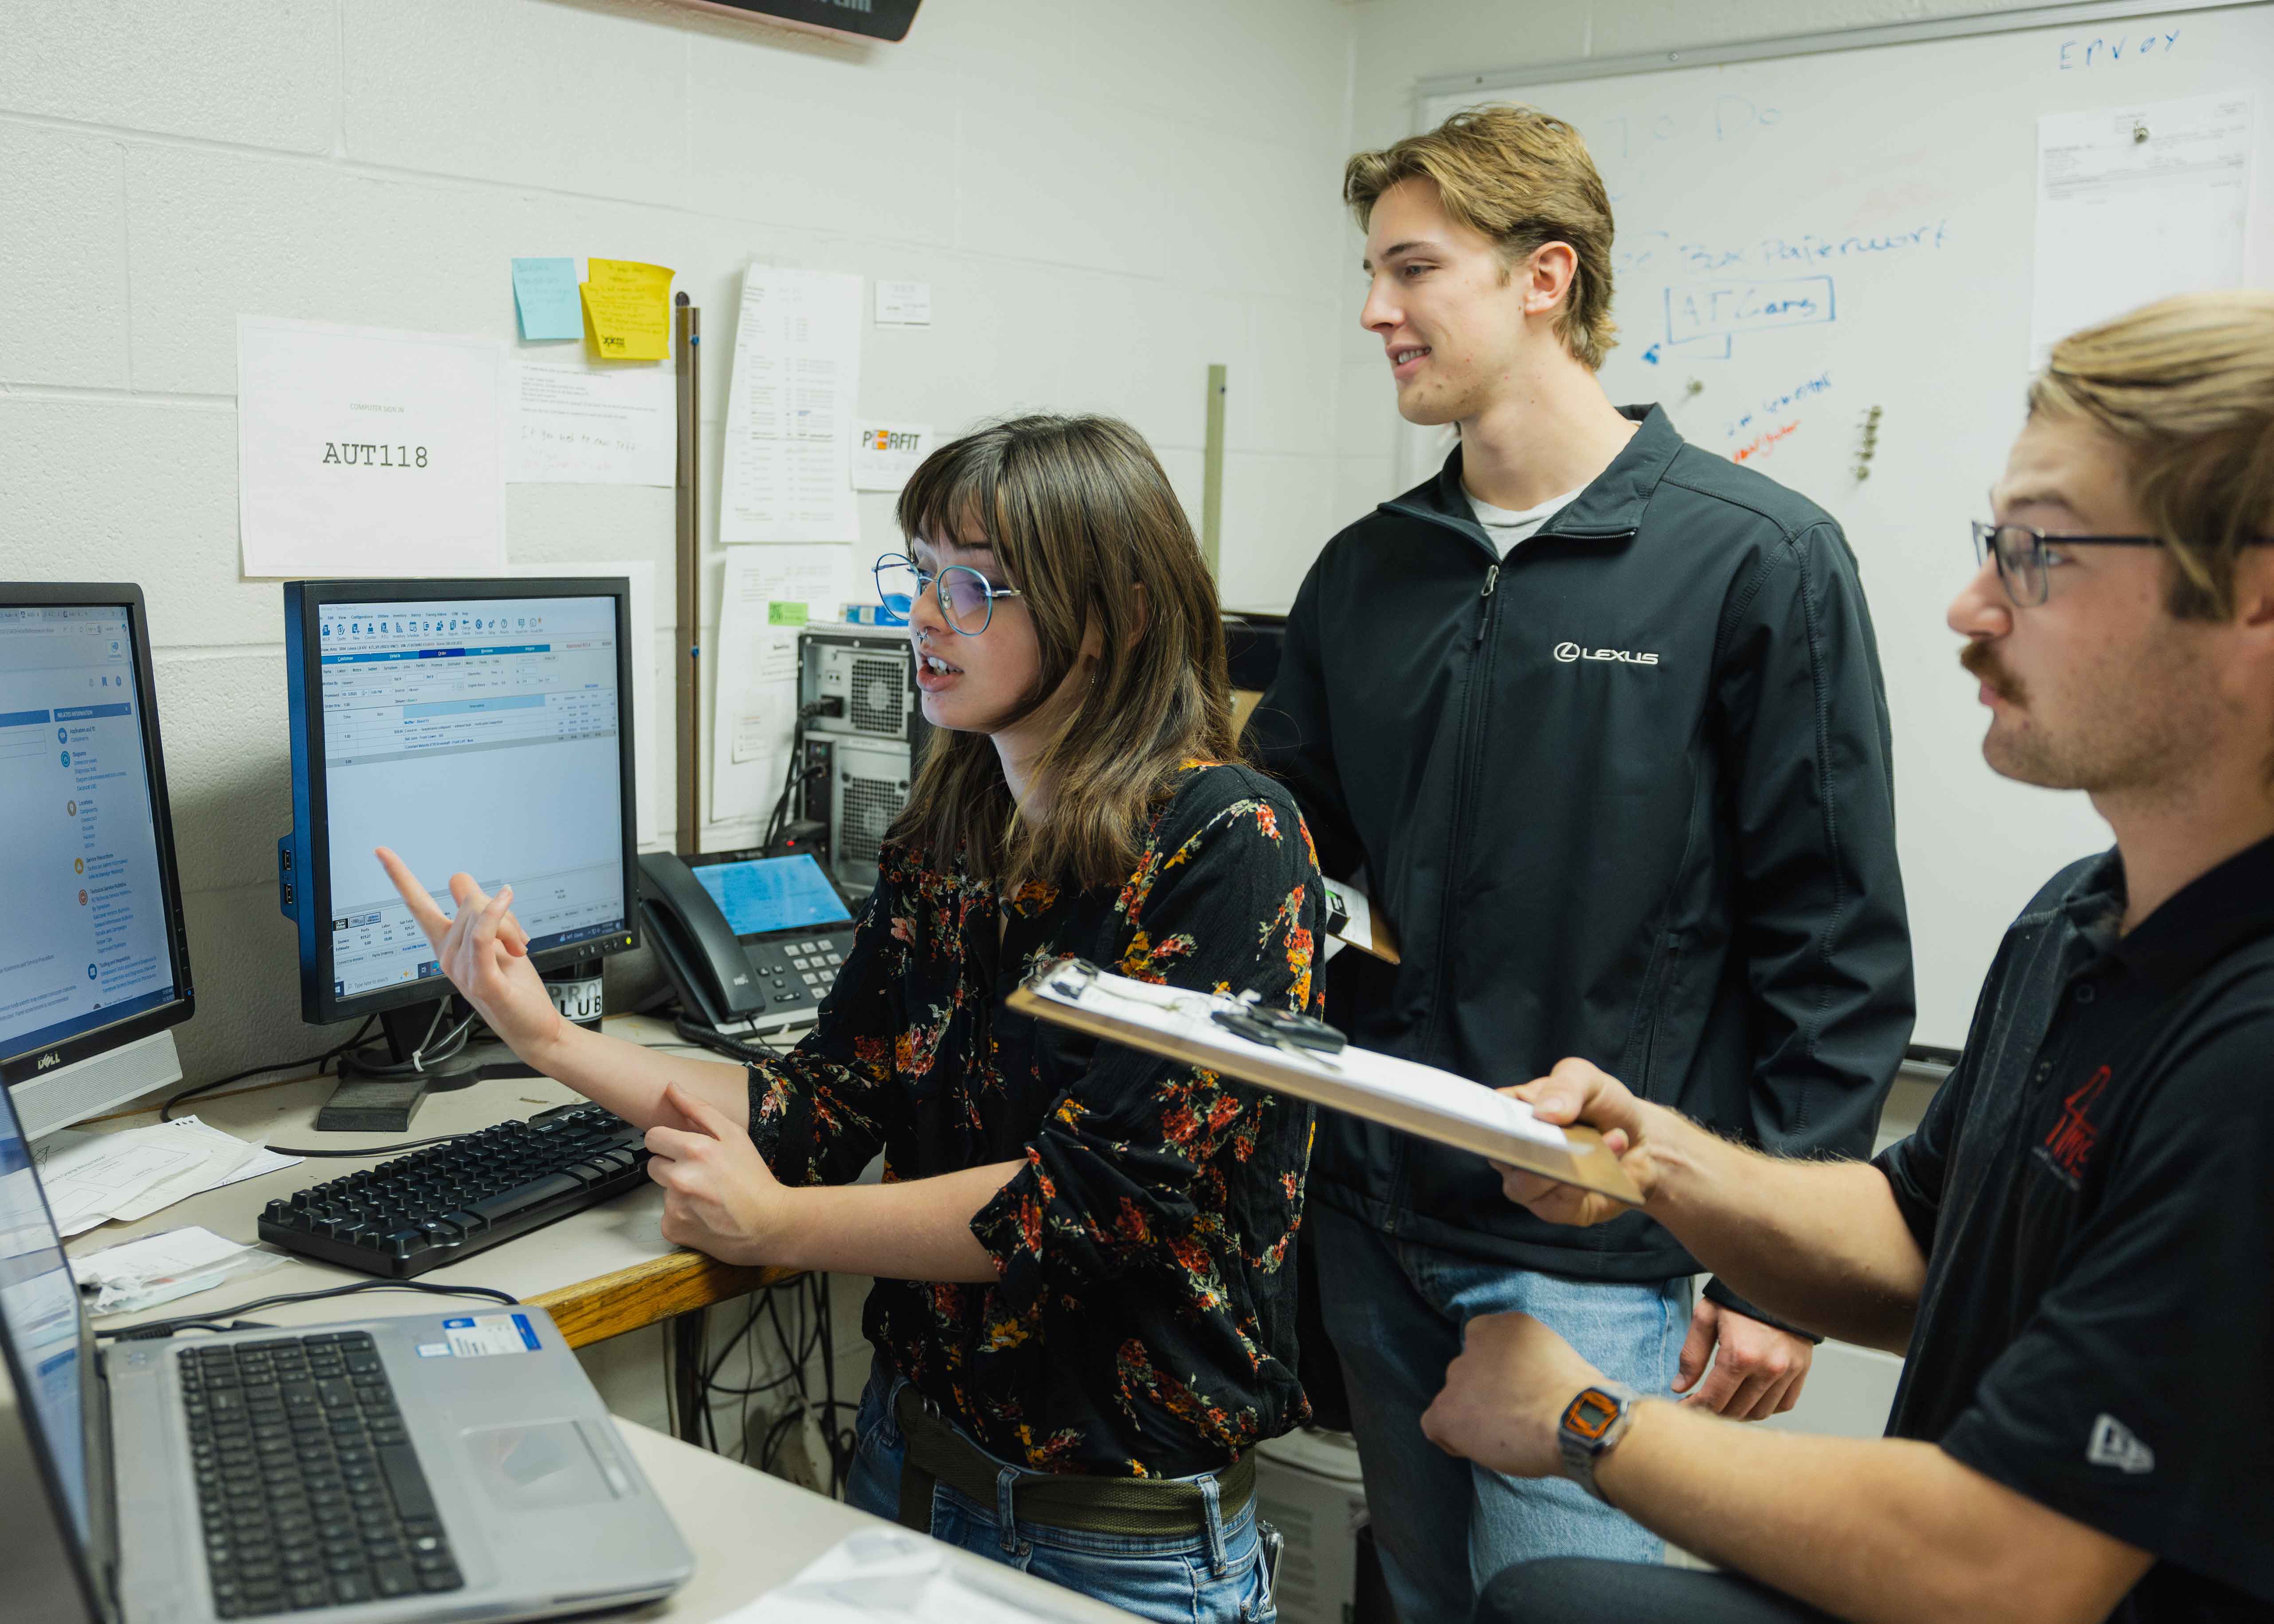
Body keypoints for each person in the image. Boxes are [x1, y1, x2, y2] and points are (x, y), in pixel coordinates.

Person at [378, 414, 1326, 1624]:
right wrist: (545, 1037)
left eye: (974, 586)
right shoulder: (955, 825)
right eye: (920, 574)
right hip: (912, 1467)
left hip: (1112, 1534)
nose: (925, 617)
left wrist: (780, 1226)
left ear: (1117, 614)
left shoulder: (1229, 844)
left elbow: (1091, 1206)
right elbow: (825, 1105)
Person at [1424, 290, 2274, 1624]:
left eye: (2040, 553)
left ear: (2256, 601)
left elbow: (2009, 1567)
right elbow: (1926, 1242)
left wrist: (1586, 1419)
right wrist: (1645, 1158)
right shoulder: (2079, 924)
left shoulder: (2255, 1047)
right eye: (1995, 542)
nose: (1972, 604)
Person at [1241, 103, 1914, 1617]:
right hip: (1375, 1220)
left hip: (1598, 1254)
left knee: (1568, 1611)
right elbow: (1298, 866)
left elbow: (1834, 939)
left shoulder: (1756, 558)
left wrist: (1768, 1276)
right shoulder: (1370, 570)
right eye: (1370, 271)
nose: (1375, 311)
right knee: (1418, 1600)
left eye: (1413, 270)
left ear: (1547, 278)